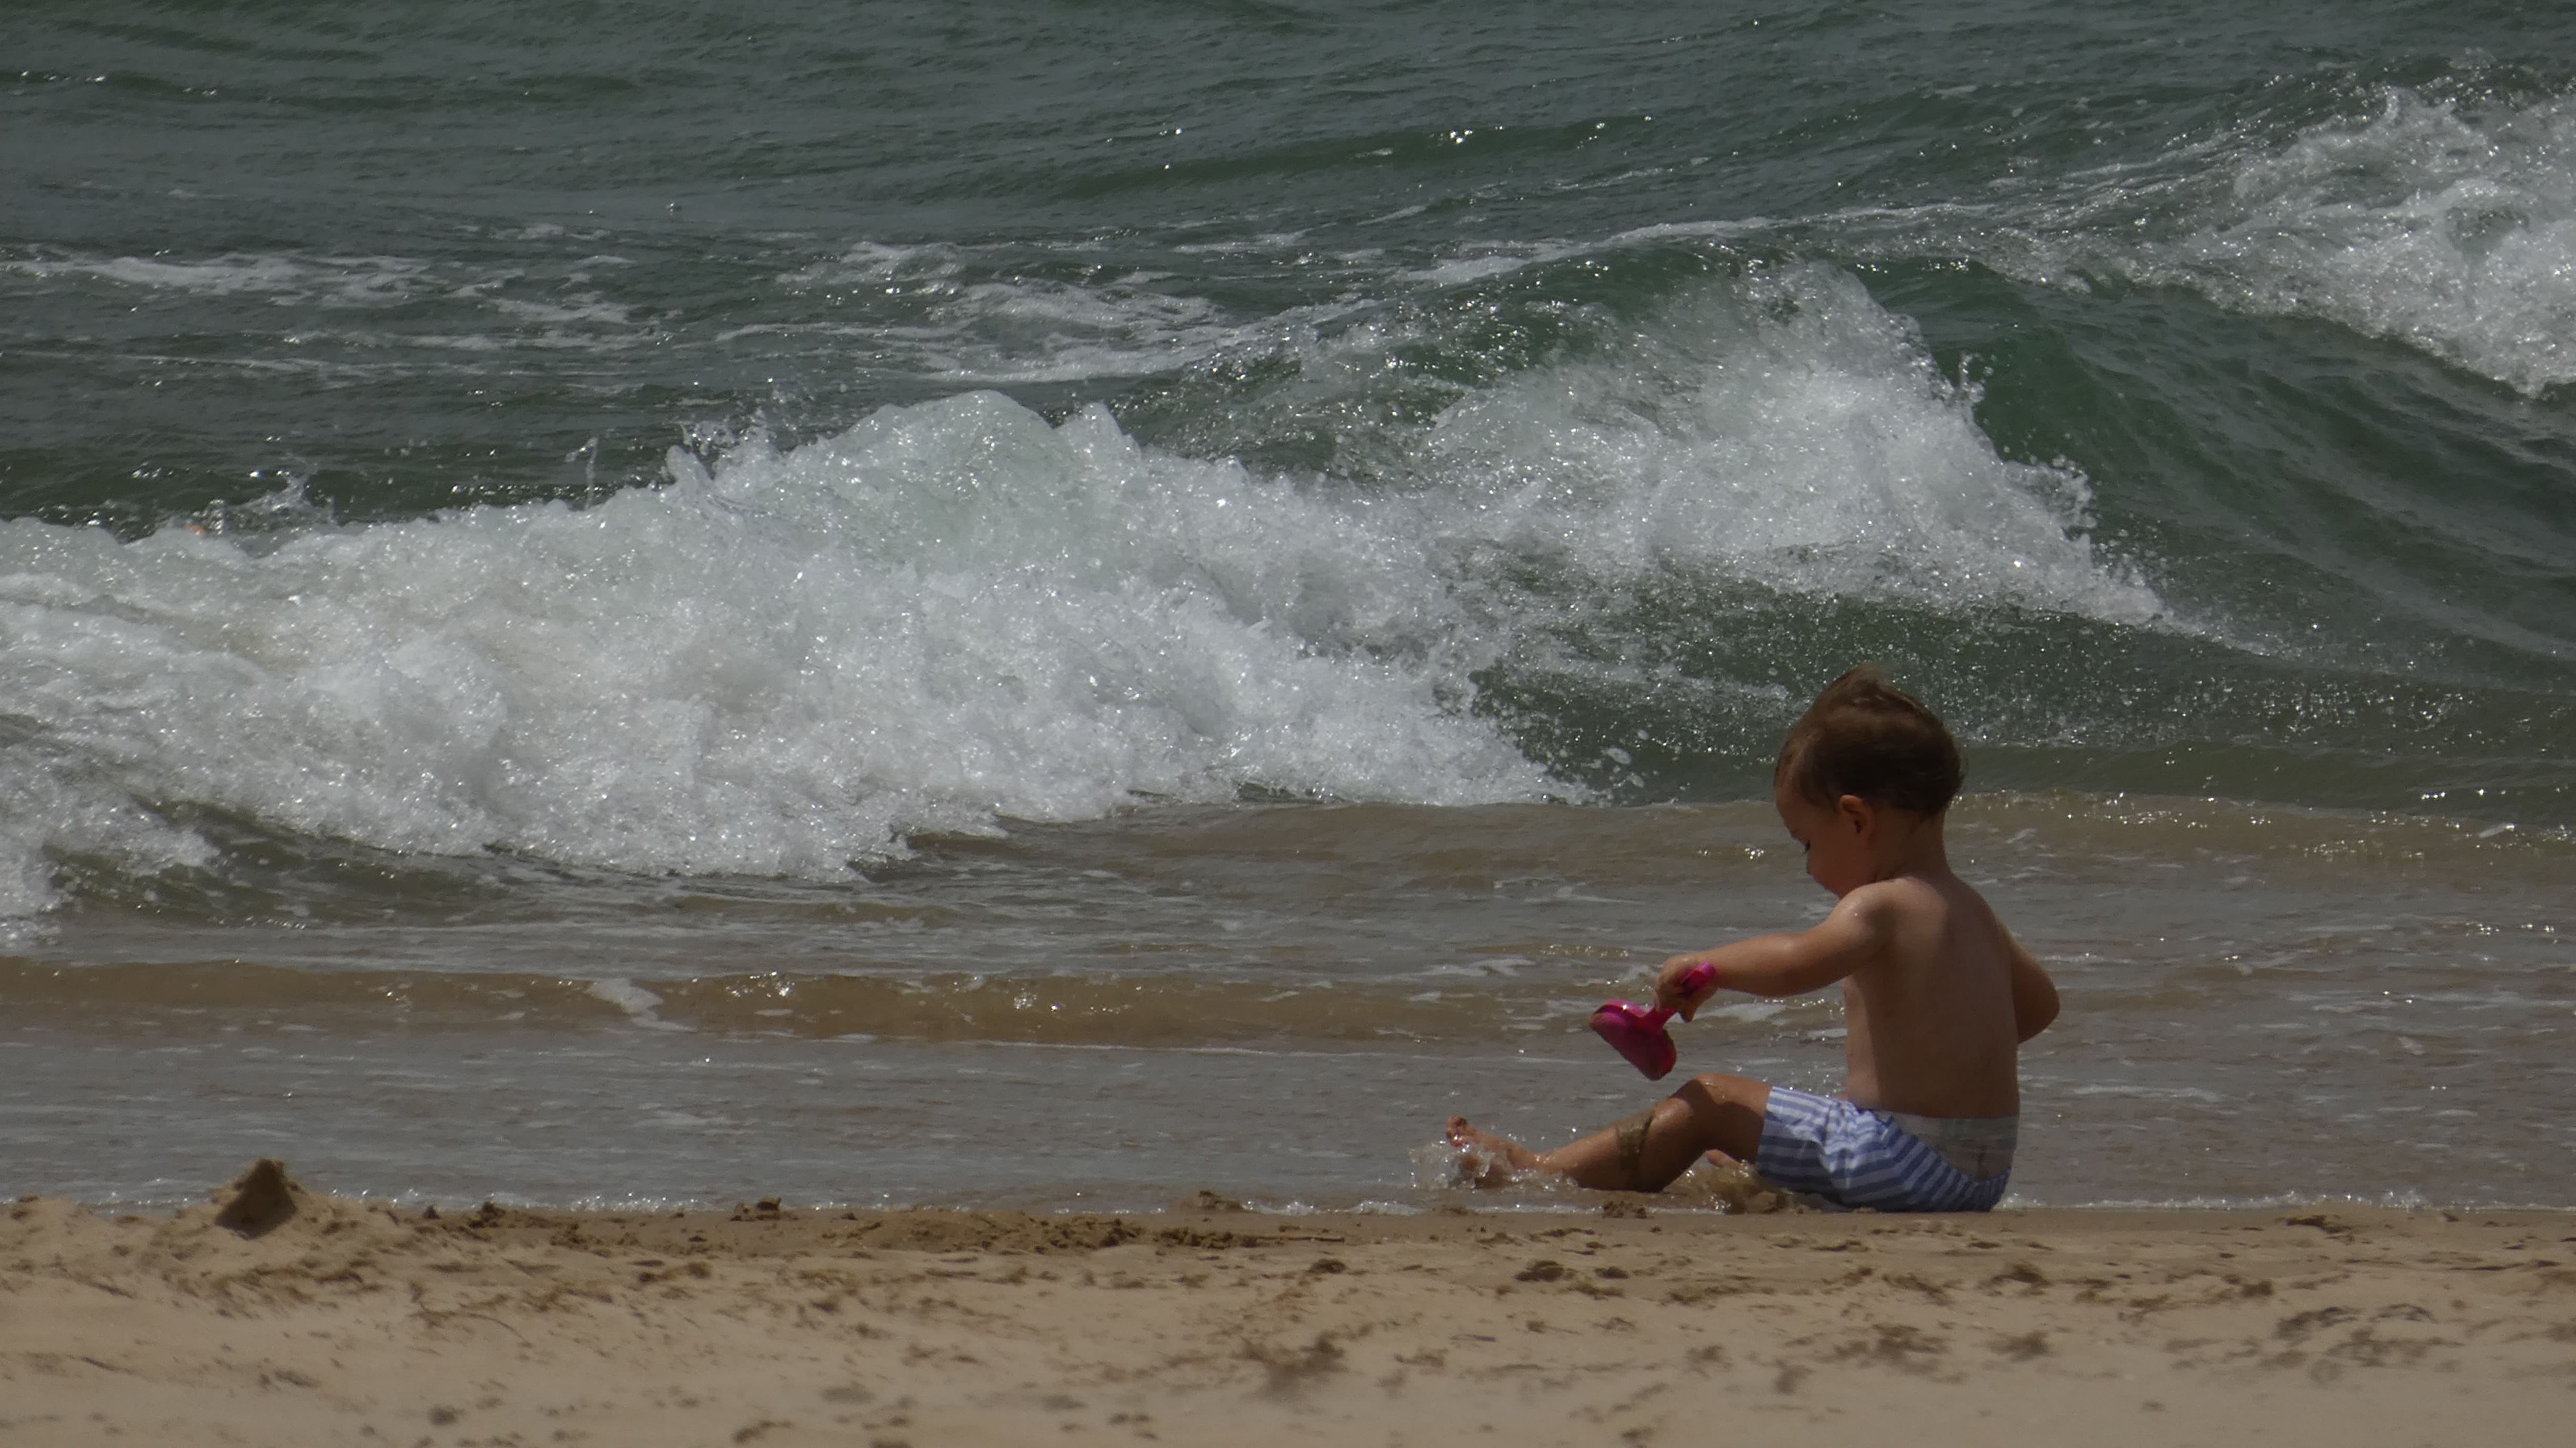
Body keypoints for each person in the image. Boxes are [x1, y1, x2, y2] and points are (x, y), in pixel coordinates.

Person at [1446, 666, 2059, 1211]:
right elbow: (2038, 1007)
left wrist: (1712, 966)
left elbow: (1798, 963)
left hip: (1906, 1163)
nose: (1809, 865)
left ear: (1857, 819)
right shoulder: (1973, 910)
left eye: (1807, 842)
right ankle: (1781, 1164)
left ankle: (1543, 1172)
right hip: (1980, 1174)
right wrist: (1942, 1056)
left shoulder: (1881, 904)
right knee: (1739, 1143)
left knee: (1710, 1102)